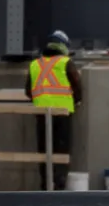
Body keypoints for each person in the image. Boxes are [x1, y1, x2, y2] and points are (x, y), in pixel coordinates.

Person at [26, 29, 81, 190]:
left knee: (44, 153)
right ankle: (59, 189)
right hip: (63, 114)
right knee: (61, 153)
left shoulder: (35, 64)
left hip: (41, 114)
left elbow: (28, 91)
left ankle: (45, 187)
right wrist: (75, 101)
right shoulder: (66, 62)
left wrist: (43, 98)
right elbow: (77, 87)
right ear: (64, 46)